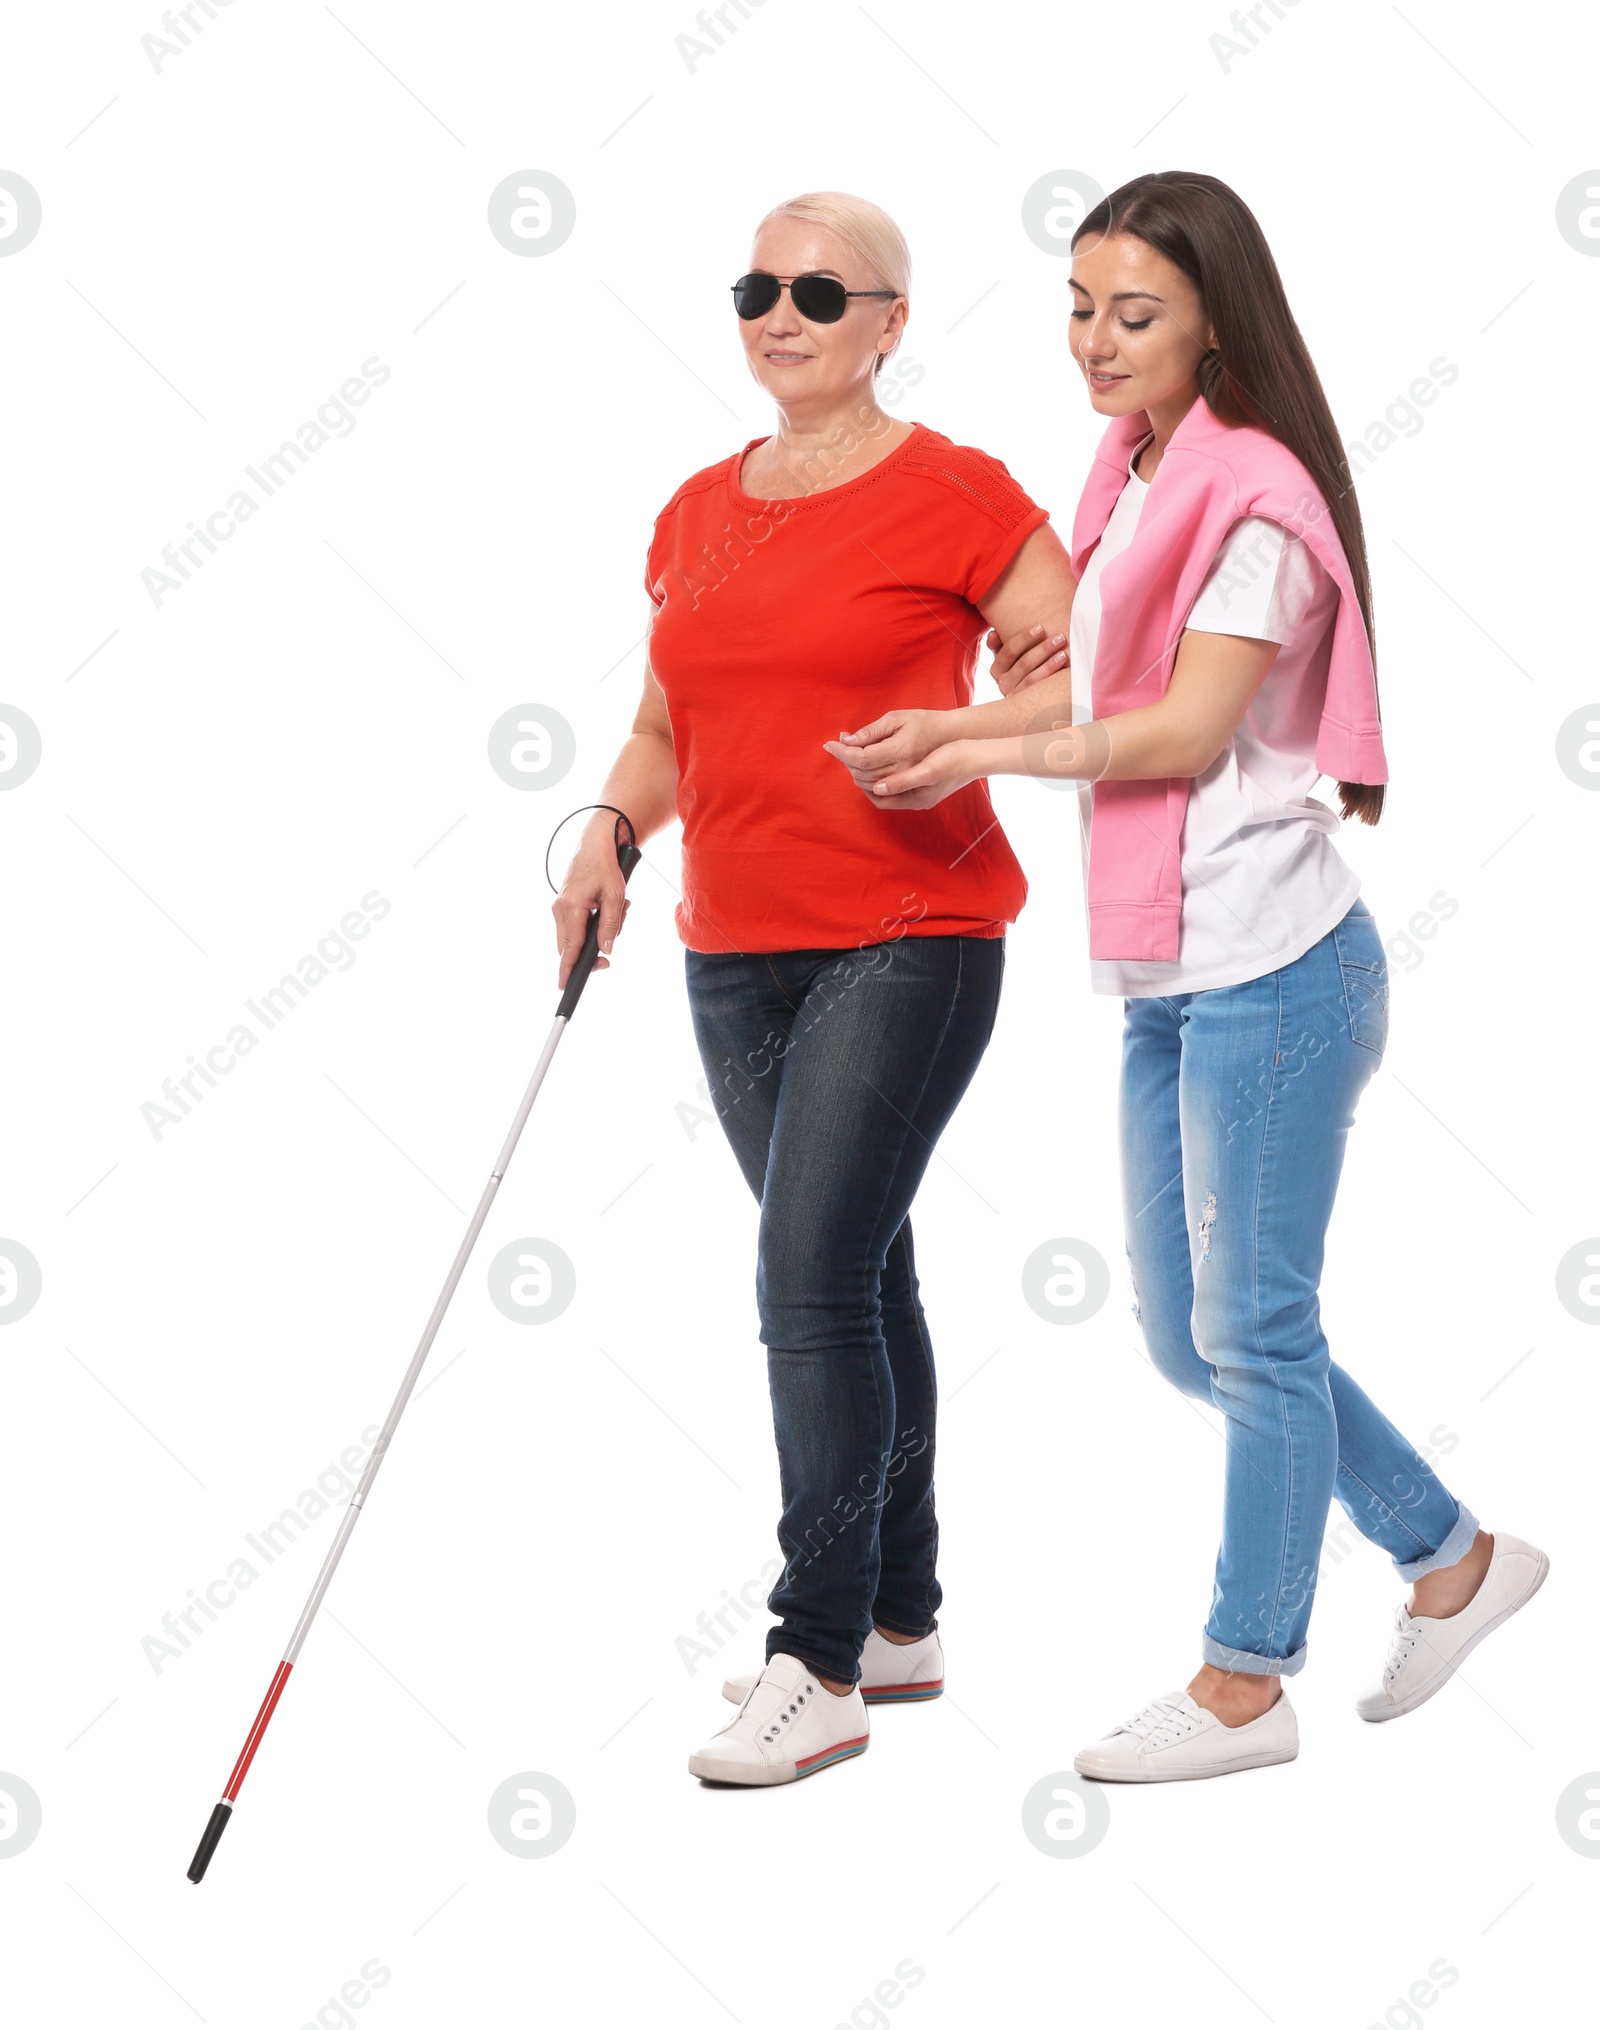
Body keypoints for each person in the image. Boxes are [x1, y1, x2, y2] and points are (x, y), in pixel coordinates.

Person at [827, 170, 1547, 1783]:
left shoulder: (1259, 497)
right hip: (1173, 980)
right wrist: (958, 731)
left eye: (1133, 313)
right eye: (1079, 308)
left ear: (1218, 319)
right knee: (1195, 1337)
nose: (1093, 340)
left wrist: (992, 756)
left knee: (1260, 1331)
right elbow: (1098, 676)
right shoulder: (1137, 466)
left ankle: (1245, 1681)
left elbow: (1177, 731)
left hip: (1280, 977)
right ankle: (1451, 1556)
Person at [553, 191, 1077, 1786]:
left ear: (891, 322)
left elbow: (1068, 689)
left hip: (912, 932)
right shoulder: (698, 509)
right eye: (757, 287)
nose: (780, 313)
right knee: (858, 1273)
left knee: (804, 1276)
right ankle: (903, 1618)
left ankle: (818, 1652)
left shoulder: (963, 493)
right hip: (734, 950)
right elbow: (666, 727)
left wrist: (955, 741)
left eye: (821, 291)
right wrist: (607, 829)